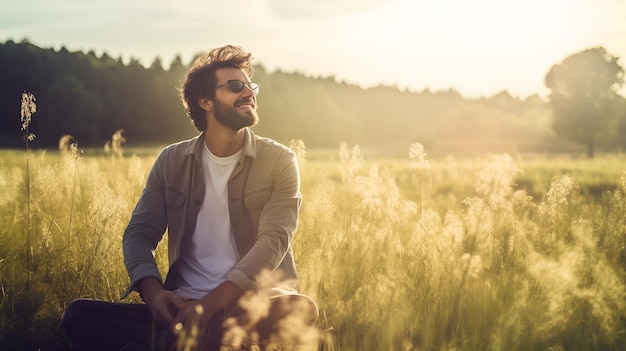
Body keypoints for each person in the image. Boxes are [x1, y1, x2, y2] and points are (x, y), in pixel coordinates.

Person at [62, 45, 319, 351]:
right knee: (78, 315)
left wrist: (209, 306)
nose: (249, 92)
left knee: (301, 309)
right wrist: (155, 294)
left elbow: (274, 240)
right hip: (181, 306)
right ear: (205, 101)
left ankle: (169, 343)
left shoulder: (279, 160)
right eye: (235, 86)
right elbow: (138, 235)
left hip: (251, 304)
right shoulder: (172, 161)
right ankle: (196, 340)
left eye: (250, 86)